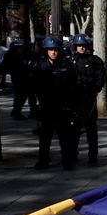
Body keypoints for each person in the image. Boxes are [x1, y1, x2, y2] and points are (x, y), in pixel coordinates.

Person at [31, 36, 79, 170]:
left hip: (62, 106)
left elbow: (73, 85)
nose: (53, 52)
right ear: (46, 51)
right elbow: (33, 87)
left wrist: (72, 106)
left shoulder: (66, 65)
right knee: (45, 137)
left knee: (65, 137)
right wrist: (35, 106)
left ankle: (67, 161)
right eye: (50, 50)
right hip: (46, 106)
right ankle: (43, 161)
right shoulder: (40, 66)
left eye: (55, 50)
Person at [70, 34, 105, 166]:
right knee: (74, 127)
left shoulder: (95, 60)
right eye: (79, 46)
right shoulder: (71, 60)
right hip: (75, 98)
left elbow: (100, 77)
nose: (81, 48)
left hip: (89, 97)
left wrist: (95, 88)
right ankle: (73, 154)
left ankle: (93, 157)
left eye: (83, 46)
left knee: (91, 129)